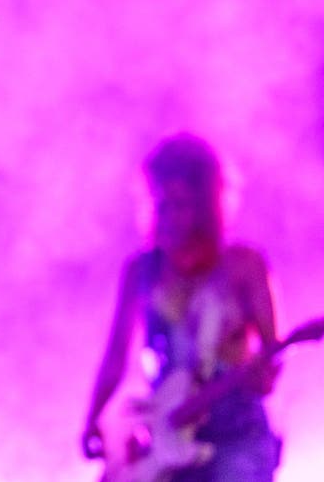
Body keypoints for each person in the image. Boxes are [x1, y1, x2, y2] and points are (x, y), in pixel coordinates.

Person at [80, 133, 282, 481]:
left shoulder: (244, 266)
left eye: (181, 203)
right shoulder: (141, 271)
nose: (170, 214)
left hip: (236, 437)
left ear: (206, 206)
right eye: (161, 203)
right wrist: (93, 416)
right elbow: (116, 355)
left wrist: (264, 374)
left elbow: (271, 356)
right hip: (167, 431)